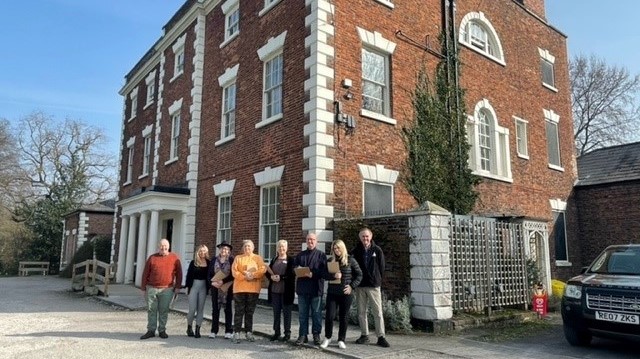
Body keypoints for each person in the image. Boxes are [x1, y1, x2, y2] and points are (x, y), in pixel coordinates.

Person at [351, 227, 390, 347]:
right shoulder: (355, 251)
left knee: (377, 312)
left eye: (367, 236)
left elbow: (381, 267)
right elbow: (352, 267)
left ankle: (381, 336)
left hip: (373, 286)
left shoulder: (377, 250)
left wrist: (377, 279)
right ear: (360, 238)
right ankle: (364, 335)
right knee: (361, 312)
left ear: (371, 237)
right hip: (360, 286)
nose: (365, 238)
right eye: (363, 236)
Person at [320, 239, 362, 350]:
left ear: (342, 248)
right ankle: (327, 337)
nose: (336, 250)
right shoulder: (330, 260)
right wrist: (333, 276)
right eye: (334, 248)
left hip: (345, 293)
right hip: (332, 293)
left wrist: (352, 286)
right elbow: (323, 274)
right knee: (330, 316)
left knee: (344, 317)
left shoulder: (350, 260)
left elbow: (359, 275)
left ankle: (341, 340)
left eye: (338, 248)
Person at [140, 238, 183, 340]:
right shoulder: (152, 258)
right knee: (151, 310)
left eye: (165, 246)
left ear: (168, 247)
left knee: (164, 310)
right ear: (158, 247)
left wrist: (178, 287)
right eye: (161, 246)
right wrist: (143, 287)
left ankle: (162, 330)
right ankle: (151, 330)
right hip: (152, 288)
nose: (163, 248)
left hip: (167, 289)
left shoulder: (174, 258)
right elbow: (145, 273)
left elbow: (179, 274)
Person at [294, 232, 327, 346]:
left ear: (316, 241)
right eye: (308, 240)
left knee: (316, 314)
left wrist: (313, 274)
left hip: (316, 289)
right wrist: (297, 269)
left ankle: (316, 334)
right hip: (302, 290)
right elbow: (294, 268)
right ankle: (303, 335)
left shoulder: (321, 255)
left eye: (312, 239)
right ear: (306, 241)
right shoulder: (300, 255)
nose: (310, 242)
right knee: (302, 314)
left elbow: (324, 272)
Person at [231, 240, 266, 343]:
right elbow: (234, 271)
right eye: (245, 246)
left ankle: (248, 332)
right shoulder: (238, 258)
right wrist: (244, 276)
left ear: (253, 248)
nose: (247, 248)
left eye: (249, 246)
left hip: (253, 289)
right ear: (243, 248)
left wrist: (253, 275)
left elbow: (262, 269)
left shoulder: (258, 258)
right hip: (239, 289)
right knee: (238, 312)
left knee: (249, 312)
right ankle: (236, 332)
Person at [266, 239, 295, 342]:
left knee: (287, 313)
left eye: (283, 247)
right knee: (276, 313)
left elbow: (292, 274)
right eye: (279, 247)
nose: (281, 248)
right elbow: (267, 272)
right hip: (274, 291)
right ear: (277, 248)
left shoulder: (291, 260)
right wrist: (271, 277)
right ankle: (276, 332)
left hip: (286, 291)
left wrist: (281, 277)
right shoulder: (274, 259)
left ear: (286, 248)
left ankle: (287, 333)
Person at [207, 241, 234, 339]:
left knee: (228, 309)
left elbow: (232, 275)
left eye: (226, 249)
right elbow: (209, 273)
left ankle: (228, 331)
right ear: (220, 249)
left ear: (229, 251)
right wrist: (212, 282)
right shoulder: (214, 259)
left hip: (227, 288)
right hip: (215, 288)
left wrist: (222, 281)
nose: (224, 250)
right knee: (215, 309)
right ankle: (214, 331)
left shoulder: (231, 260)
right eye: (222, 248)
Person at [185, 244, 210, 338]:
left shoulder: (208, 262)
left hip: (203, 287)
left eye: (204, 251)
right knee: (192, 309)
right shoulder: (193, 262)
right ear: (197, 252)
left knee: (200, 309)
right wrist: (187, 287)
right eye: (200, 251)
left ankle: (198, 329)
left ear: (206, 252)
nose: (202, 253)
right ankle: (189, 327)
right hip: (193, 287)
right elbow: (188, 276)